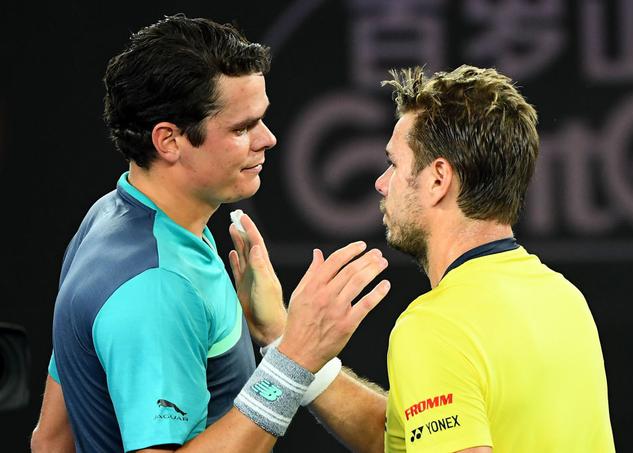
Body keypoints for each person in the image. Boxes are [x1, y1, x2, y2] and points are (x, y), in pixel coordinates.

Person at [31, 15, 391, 452]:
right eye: (242, 128)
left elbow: (50, 441)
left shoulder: (110, 215)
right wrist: (293, 358)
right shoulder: (159, 287)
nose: (269, 139)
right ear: (169, 141)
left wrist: (276, 332)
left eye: (261, 121)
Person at [305, 65, 616, 452]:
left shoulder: (433, 327)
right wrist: (290, 346)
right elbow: (403, 441)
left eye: (395, 164)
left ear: (438, 180)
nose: (381, 183)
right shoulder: (566, 300)